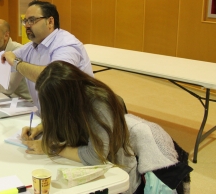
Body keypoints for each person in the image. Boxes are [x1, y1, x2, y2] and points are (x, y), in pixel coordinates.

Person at [21, 61, 190, 194]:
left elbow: (95, 156)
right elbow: (64, 116)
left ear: (66, 99)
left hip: (119, 168)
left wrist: (52, 148)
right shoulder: (76, 98)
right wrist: (41, 127)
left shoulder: (99, 105)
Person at [0, 0, 93, 114]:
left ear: (50, 21)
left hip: (77, 118)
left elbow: (54, 76)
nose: (26, 25)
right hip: (47, 116)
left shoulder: (66, 45)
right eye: (25, 21)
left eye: (32, 20)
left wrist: (17, 64)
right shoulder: (32, 47)